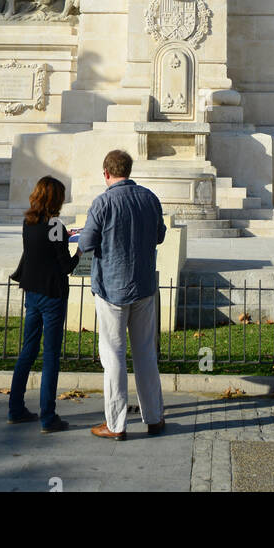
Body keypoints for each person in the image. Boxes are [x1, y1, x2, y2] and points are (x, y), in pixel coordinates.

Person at [77, 150, 166, 441]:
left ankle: (116, 423)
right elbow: (160, 235)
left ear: (106, 173)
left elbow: (88, 243)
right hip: (142, 285)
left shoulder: (102, 202)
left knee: (113, 354)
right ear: (128, 169)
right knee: (145, 353)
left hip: (112, 287)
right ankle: (154, 416)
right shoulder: (149, 198)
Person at [8, 175, 80, 433]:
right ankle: (48, 417)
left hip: (33, 292)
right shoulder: (56, 226)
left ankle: (15, 408)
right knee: (50, 356)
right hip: (53, 295)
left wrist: (62, 236)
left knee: (28, 351)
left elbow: (41, 249)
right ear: (56, 199)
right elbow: (66, 266)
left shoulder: (29, 223)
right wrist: (79, 250)